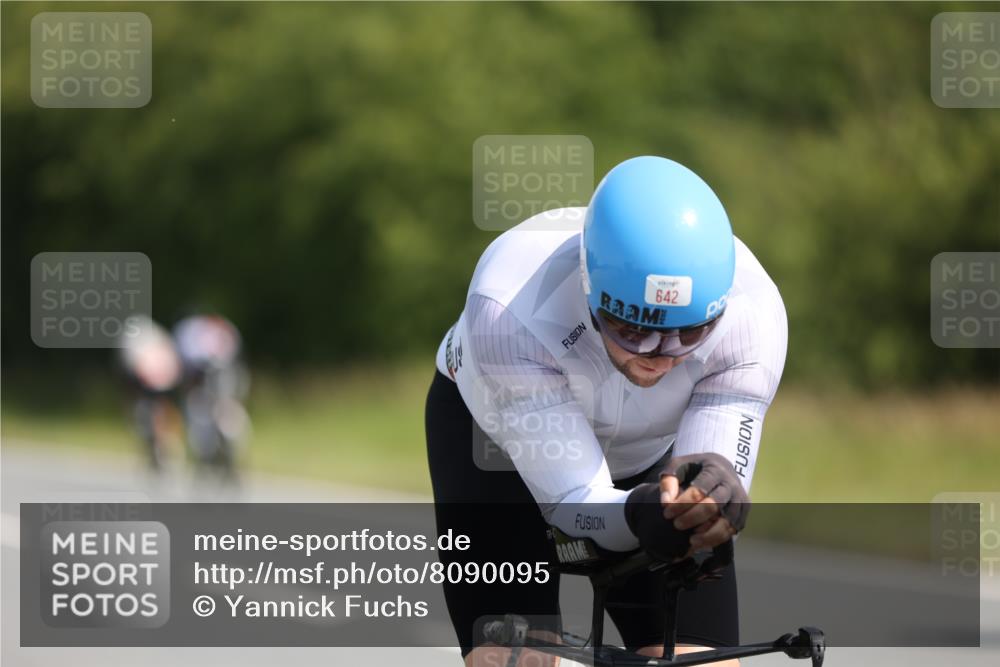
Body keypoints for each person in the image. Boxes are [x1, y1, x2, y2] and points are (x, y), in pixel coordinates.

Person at [425, 156, 787, 665]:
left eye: (690, 333)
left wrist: (707, 501)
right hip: (495, 453)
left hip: (647, 459)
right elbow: (574, 503)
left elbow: (705, 479)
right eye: (632, 329)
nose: (660, 355)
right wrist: (642, 514)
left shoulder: (753, 317)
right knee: (514, 658)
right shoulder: (508, 306)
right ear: (587, 287)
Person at [172, 313, 250, 477]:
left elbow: (235, 380)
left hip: (223, 389)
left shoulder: (226, 339)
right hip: (202, 391)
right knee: (200, 425)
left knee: (231, 423)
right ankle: (204, 458)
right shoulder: (194, 340)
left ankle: (230, 460)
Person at [117, 315, 184, 470]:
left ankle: (167, 445)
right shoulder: (149, 337)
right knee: (150, 414)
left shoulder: (146, 338)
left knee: (163, 411)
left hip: (159, 380)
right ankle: (158, 447)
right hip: (149, 382)